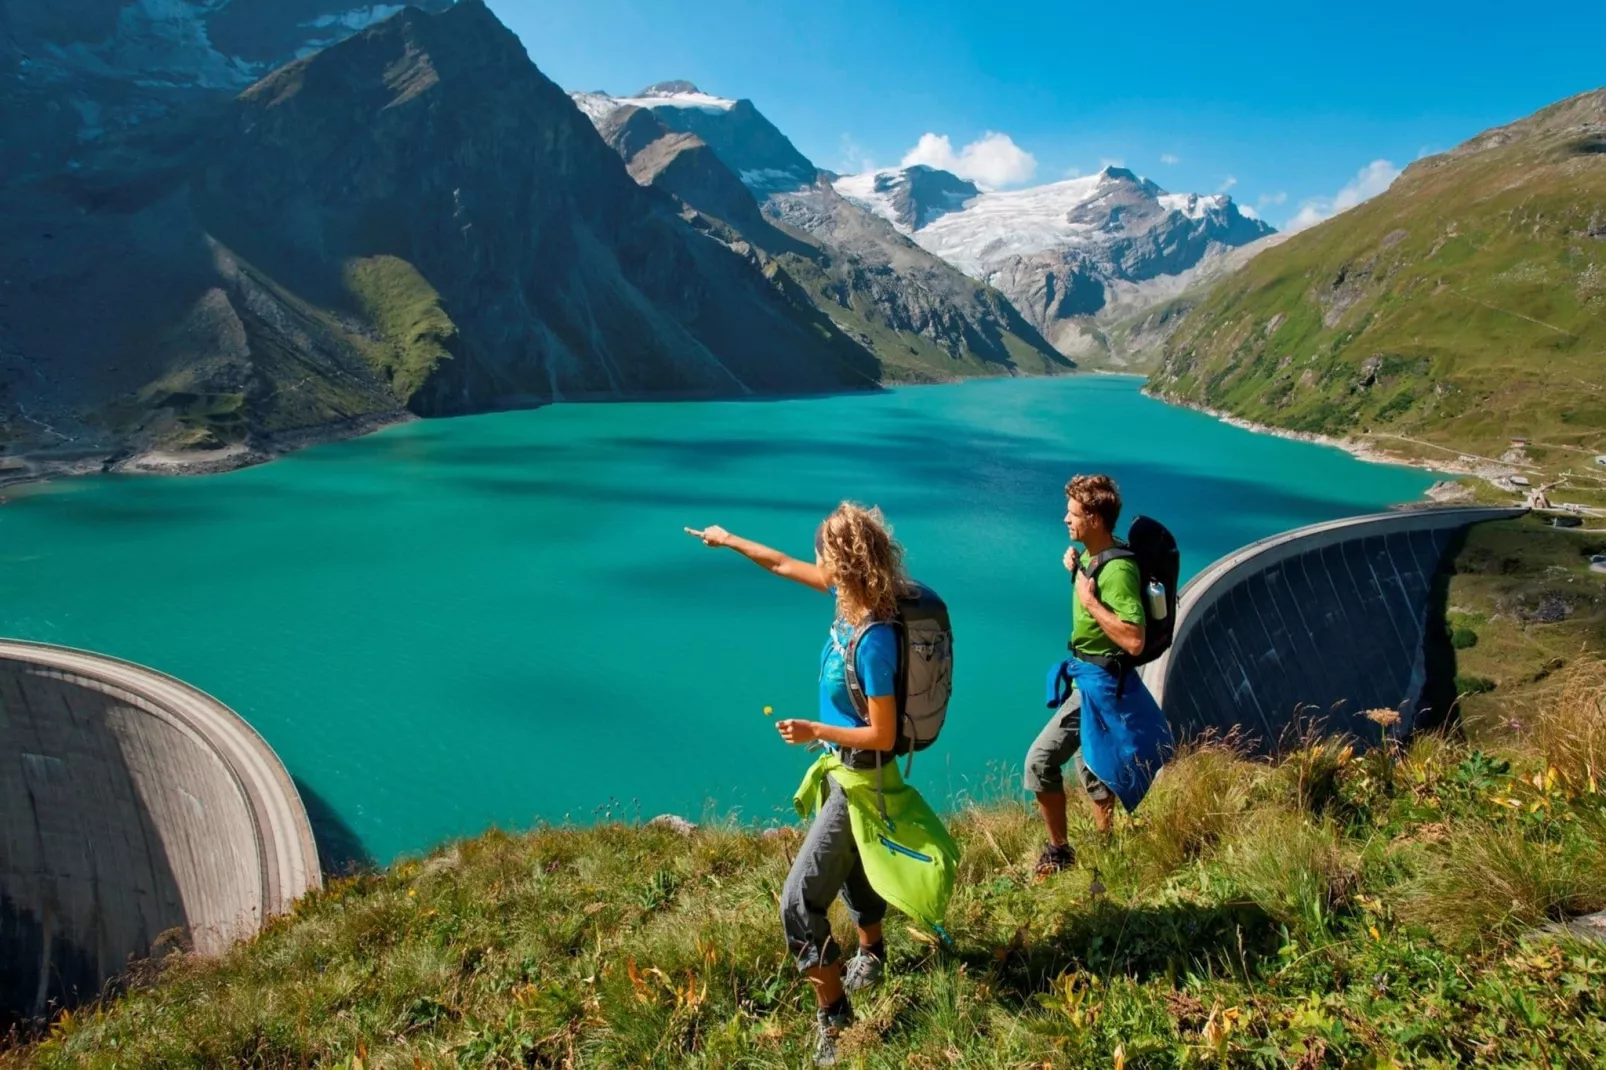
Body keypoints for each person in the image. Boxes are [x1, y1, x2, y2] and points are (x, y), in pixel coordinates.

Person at [686, 503, 905, 1066]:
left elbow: (881, 733)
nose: (815, 560)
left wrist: (815, 731)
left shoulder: (875, 636)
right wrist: (727, 536)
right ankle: (872, 954)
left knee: (797, 901)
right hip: (846, 772)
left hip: (863, 773)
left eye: (824, 552)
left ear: (843, 560)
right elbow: (782, 565)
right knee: (854, 865)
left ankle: (834, 1018)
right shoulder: (846, 602)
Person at [1024, 473, 1174, 875]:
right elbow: (1096, 592)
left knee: (1039, 762)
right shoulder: (1097, 557)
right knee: (1092, 765)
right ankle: (1108, 849)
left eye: (1073, 513)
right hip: (1088, 678)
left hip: (1100, 684)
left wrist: (1090, 603)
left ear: (1094, 518)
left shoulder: (1118, 571)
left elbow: (1135, 639)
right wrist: (1076, 571)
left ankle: (1059, 852)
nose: (1065, 519)